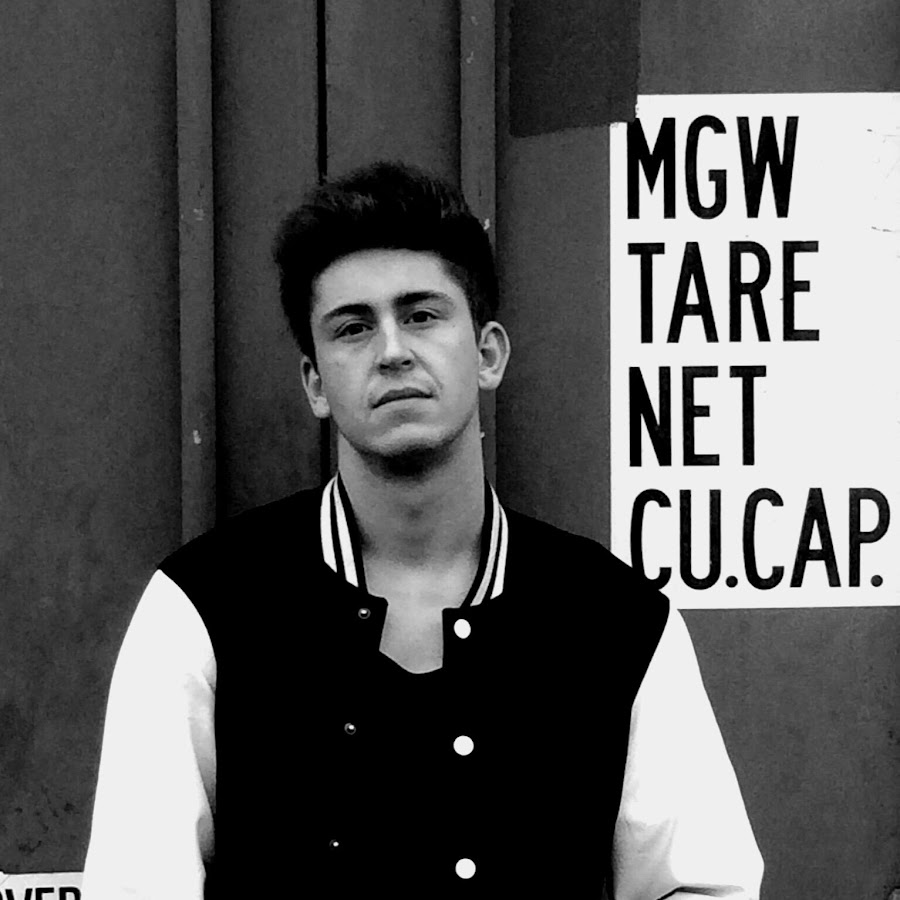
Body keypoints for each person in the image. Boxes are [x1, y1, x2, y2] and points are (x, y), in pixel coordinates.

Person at [81, 161, 764, 897]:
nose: (392, 351)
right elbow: (135, 884)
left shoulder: (614, 620)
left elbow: (705, 886)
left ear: (488, 353)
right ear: (315, 383)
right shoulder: (205, 606)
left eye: (422, 315)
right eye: (353, 328)